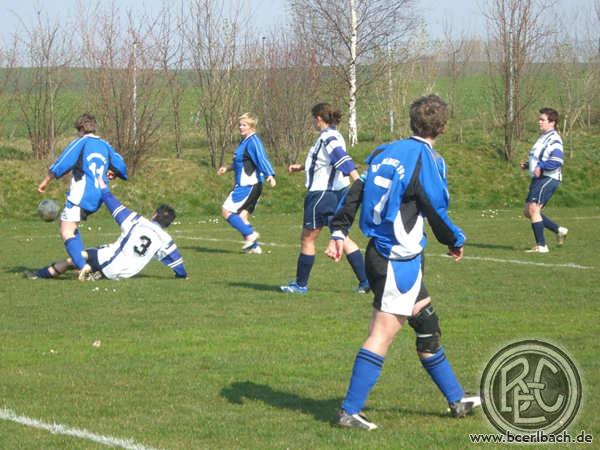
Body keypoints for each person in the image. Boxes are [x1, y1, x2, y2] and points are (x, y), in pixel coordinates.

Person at [325, 95, 480, 430]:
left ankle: (457, 399)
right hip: (397, 260)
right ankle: (349, 411)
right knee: (381, 334)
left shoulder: (384, 151)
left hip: (387, 255)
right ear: (443, 127)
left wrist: (339, 229)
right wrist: (454, 240)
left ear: (412, 122)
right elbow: (435, 208)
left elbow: (356, 190)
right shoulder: (429, 160)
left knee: (426, 324)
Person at [25, 175, 187, 281]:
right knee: (91, 258)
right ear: (168, 224)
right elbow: (178, 265)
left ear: (154, 214)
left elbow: (112, 204)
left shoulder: (138, 221)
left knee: (76, 258)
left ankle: (40, 274)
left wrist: (102, 186)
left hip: (108, 260)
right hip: (123, 274)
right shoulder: (166, 240)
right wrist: (182, 276)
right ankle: (91, 273)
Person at [280, 102, 369, 294]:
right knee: (342, 236)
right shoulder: (335, 135)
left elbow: (341, 158)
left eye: (313, 119)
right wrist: (302, 167)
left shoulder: (328, 137)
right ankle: (365, 281)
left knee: (307, 238)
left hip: (321, 195)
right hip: (335, 194)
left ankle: (300, 285)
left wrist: (358, 181)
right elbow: (326, 162)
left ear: (318, 118)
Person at [37, 113, 128, 275]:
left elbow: (64, 161)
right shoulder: (105, 145)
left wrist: (46, 181)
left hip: (81, 195)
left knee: (66, 231)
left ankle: (83, 266)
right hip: (100, 196)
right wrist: (114, 172)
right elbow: (120, 165)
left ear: (80, 129)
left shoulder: (82, 142)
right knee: (71, 227)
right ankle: (78, 262)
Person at [217, 113, 276, 255]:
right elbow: (242, 162)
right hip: (247, 185)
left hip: (248, 185)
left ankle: (251, 234)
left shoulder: (253, 141)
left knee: (226, 211)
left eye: (244, 125)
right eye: (240, 125)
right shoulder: (244, 141)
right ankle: (254, 247)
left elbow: (261, 158)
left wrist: (269, 174)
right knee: (242, 216)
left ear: (252, 127)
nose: (240, 127)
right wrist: (228, 168)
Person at [519, 107, 568, 253]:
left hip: (548, 178)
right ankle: (558, 230)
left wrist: (541, 166)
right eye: (539, 119)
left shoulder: (554, 139)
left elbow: (557, 160)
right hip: (539, 178)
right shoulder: (543, 137)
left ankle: (541, 246)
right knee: (528, 211)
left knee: (533, 209)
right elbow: (540, 157)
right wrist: (529, 165)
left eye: (542, 120)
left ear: (552, 122)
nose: (539, 122)